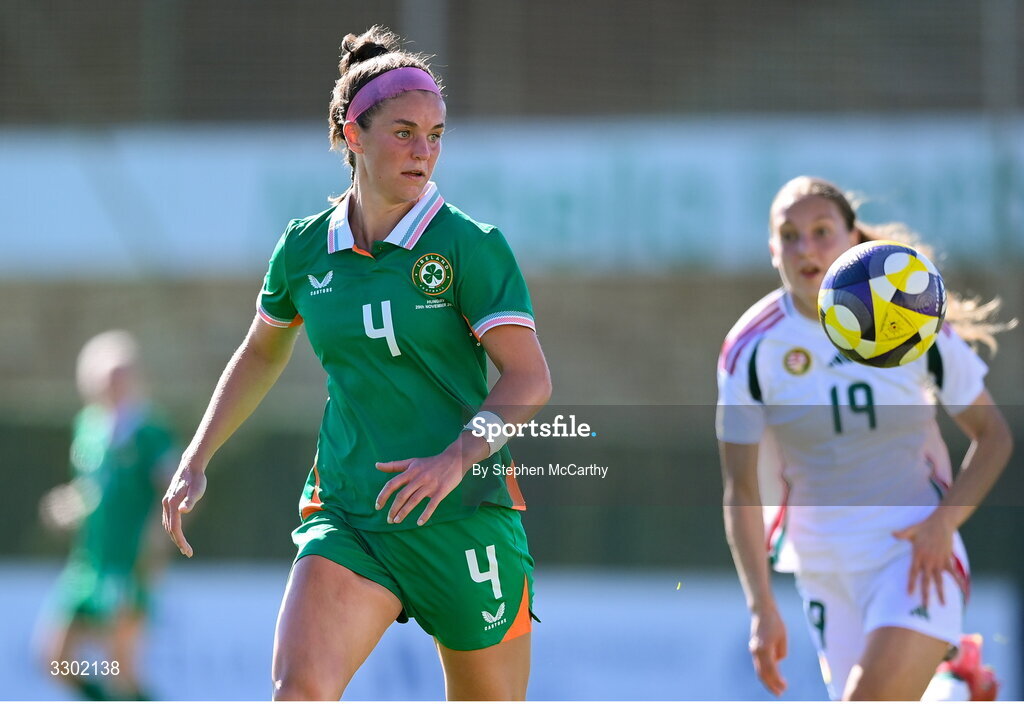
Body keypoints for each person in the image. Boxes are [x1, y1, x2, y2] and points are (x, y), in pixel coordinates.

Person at [161, 26, 551, 701]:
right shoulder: (305, 249)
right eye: (403, 131)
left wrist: (455, 458)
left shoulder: (470, 246)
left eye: (435, 134)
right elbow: (260, 350)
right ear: (353, 134)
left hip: (463, 517)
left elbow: (530, 378)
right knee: (299, 690)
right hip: (349, 512)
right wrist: (197, 456)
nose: (423, 150)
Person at [716, 176, 1014, 700]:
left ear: (854, 239)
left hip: (913, 550)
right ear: (772, 250)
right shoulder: (751, 348)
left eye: (822, 231)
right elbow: (739, 491)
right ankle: (953, 686)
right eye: (789, 235)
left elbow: (994, 437)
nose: (805, 248)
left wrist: (944, 523)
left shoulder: (910, 317)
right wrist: (761, 607)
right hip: (823, 567)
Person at [37, 330, 177, 701]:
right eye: (104, 376)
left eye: (120, 374)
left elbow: (177, 492)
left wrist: (158, 538)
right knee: (56, 660)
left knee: (122, 670)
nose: (112, 384)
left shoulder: (150, 431)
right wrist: (66, 505)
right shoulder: (87, 427)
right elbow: (92, 489)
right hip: (86, 563)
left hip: (128, 564)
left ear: (135, 377)